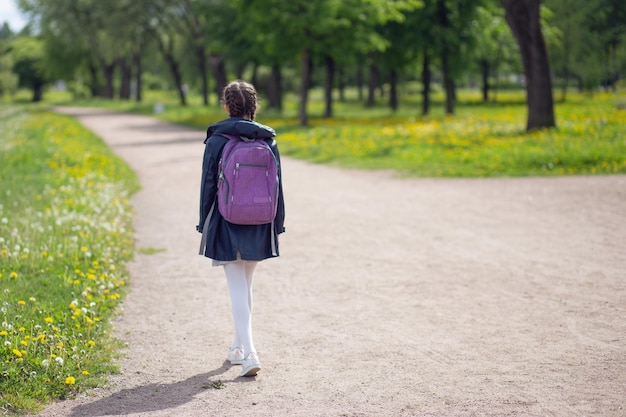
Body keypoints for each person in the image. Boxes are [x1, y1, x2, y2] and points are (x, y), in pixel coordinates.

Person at [197, 80, 285, 377]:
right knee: (246, 286)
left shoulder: (217, 140)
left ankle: (250, 353)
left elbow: (208, 185)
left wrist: (203, 223)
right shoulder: (268, 139)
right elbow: (278, 186)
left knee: (237, 288)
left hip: (227, 218)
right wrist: (278, 223)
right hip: (261, 219)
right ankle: (236, 347)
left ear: (226, 106)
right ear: (254, 107)